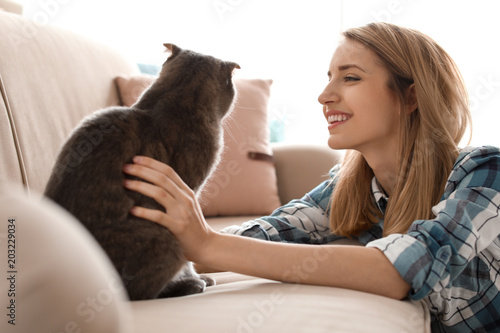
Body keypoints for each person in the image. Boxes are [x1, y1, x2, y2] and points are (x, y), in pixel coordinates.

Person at [122, 22, 500, 332]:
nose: (324, 95)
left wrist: (204, 242)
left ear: (411, 97)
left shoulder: (484, 173)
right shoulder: (350, 186)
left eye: (349, 78)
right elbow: (266, 234)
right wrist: (137, 248)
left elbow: (401, 270)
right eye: (328, 78)